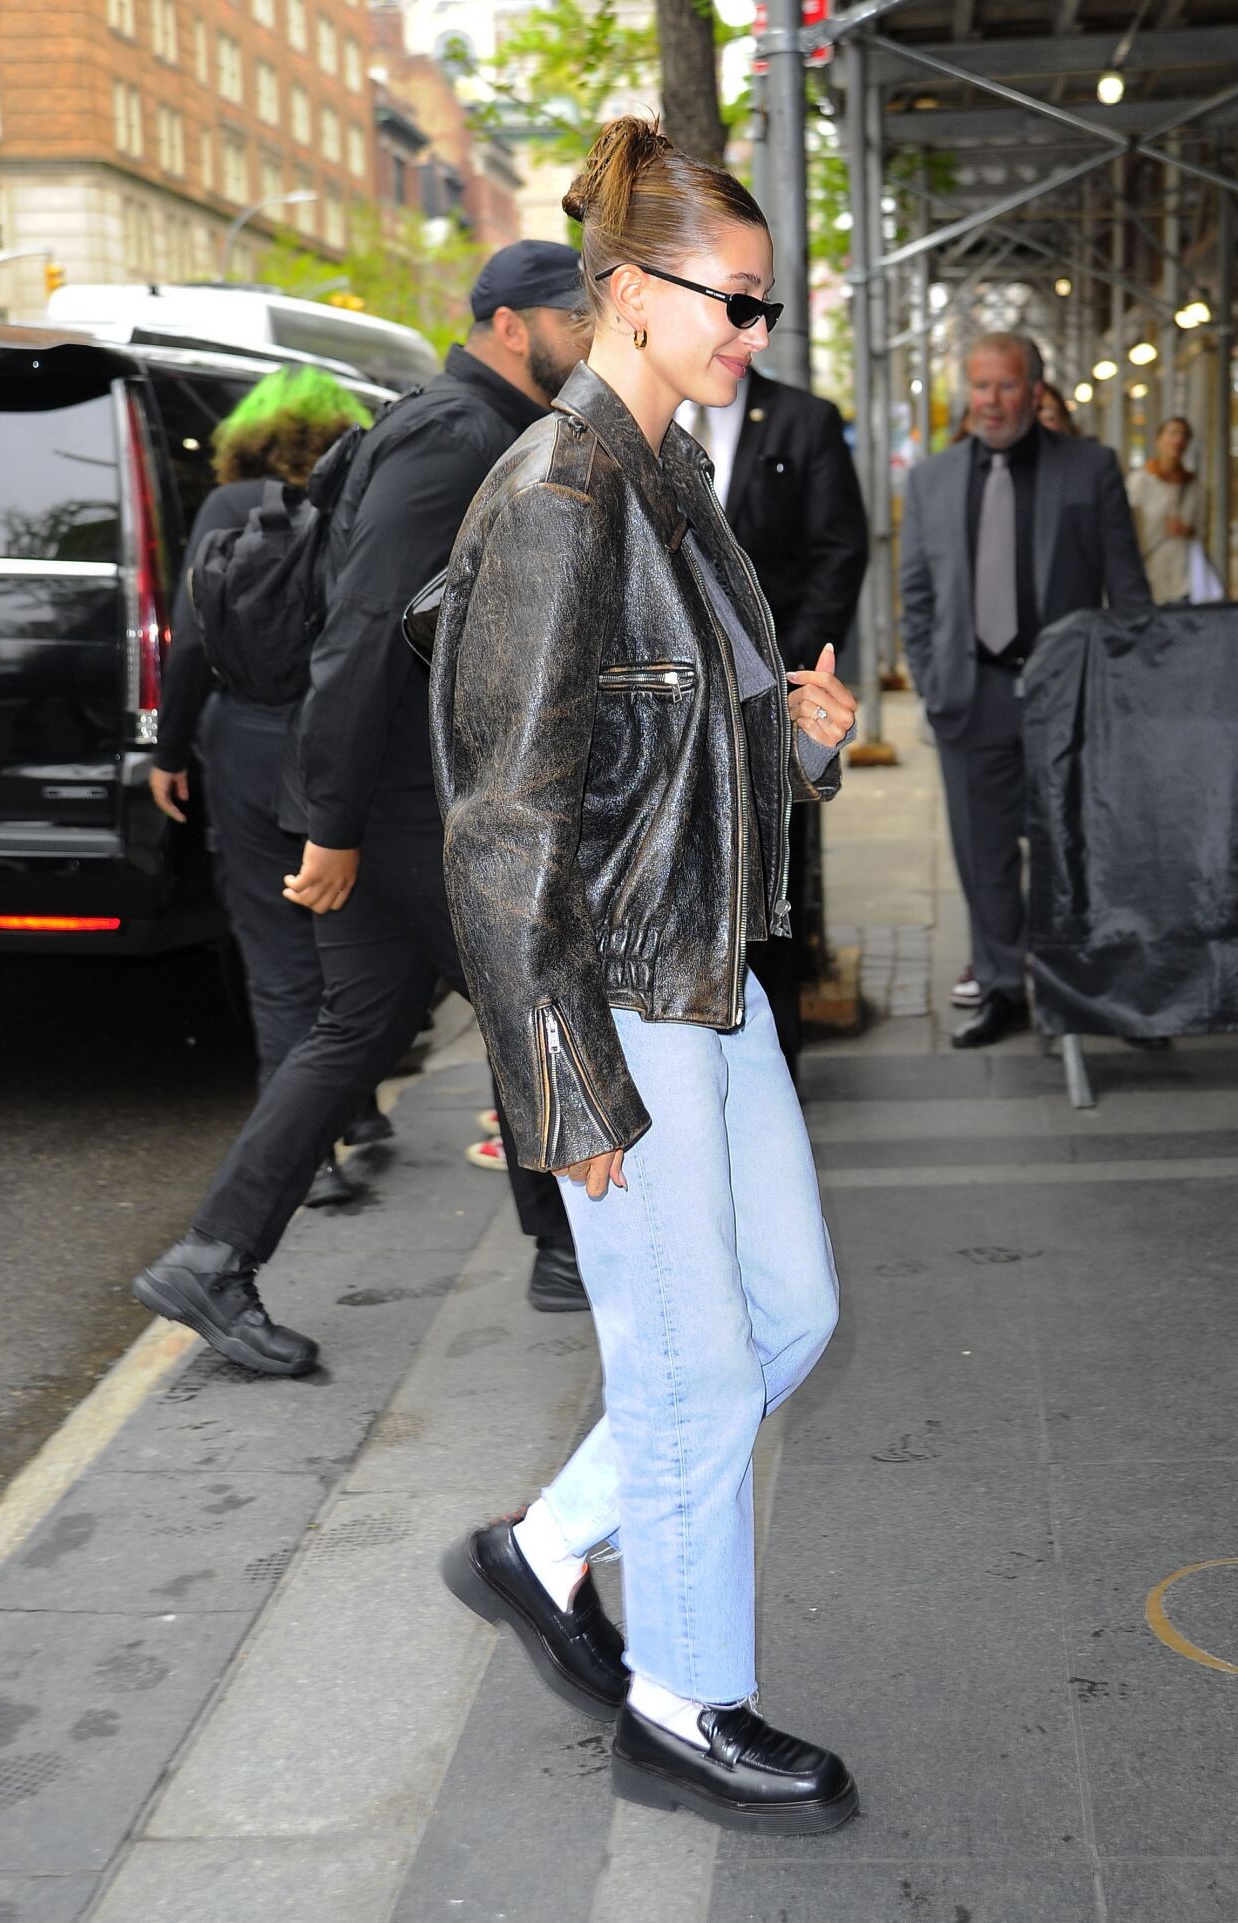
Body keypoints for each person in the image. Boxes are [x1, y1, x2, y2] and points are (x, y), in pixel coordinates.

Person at [434, 117, 861, 1835]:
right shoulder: (561, 495)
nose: (754, 330)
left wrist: (801, 746)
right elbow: (503, 820)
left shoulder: (668, 477)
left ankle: (543, 1547)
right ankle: (686, 1701)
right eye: (732, 299)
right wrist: (565, 1082)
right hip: (619, 991)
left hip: (707, 969)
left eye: (763, 303)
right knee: (688, 1363)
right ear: (626, 291)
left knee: (790, 1313)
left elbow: (674, 750)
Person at [134, 242, 593, 1378]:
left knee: (363, 1026)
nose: (590, 334)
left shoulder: (480, 426)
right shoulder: (456, 437)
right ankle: (571, 1249)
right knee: (536, 1003)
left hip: (390, 795)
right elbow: (362, 632)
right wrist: (333, 826)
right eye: (573, 316)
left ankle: (212, 1258)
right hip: (399, 804)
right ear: (508, 326)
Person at [150, 367, 387, 1209]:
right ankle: (357, 1103)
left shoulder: (227, 506)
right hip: (344, 742)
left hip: (247, 741)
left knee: (279, 957)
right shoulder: (363, 498)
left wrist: (169, 748)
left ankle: (304, 1158)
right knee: (353, 938)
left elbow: (190, 641)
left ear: (247, 436)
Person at [900, 331, 1150, 1047]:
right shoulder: (931, 479)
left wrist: (1124, 694)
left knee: (1076, 849)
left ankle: (1088, 989)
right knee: (984, 856)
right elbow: (917, 597)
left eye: (1006, 385)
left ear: (1035, 391)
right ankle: (1002, 986)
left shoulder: (1090, 468)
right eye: (980, 385)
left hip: (1067, 699)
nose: (991, 400)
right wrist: (932, 680)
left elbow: (1128, 593)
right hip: (970, 696)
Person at [679, 361, 868, 1070]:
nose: (748, 330)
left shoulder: (803, 420)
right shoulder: (646, 418)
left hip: (777, 708)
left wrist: (785, 678)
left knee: (770, 902)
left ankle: (777, 1069)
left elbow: (838, 550)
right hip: (678, 719)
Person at [1127, 416, 1205, 603]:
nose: (1178, 440)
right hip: (1149, 575)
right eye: (1172, 434)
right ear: (1158, 439)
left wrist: (1187, 530)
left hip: (1183, 579)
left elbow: (1203, 529)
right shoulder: (1139, 482)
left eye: (1184, 436)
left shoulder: (1194, 486)